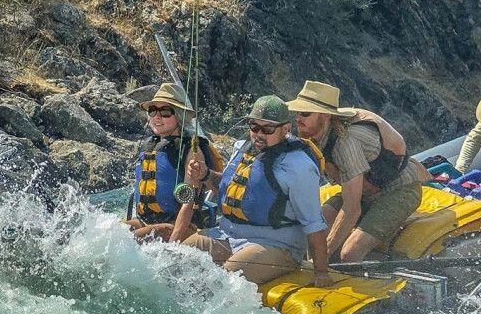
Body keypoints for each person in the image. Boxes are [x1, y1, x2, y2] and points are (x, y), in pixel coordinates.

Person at [169, 95, 331, 287]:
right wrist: (205, 175)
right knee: (175, 260)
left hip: (277, 244)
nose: (259, 134)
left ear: (286, 129)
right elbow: (227, 189)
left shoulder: (298, 166)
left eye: (268, 129)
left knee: (227, 278)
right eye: (254, 127)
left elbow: (314, 223)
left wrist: (321, 273)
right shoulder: (241, 148)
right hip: (227, 234)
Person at [286, 81, 429, 263]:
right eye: (297, 113)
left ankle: (369, 286)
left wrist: (321, 258)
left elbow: (352, 208)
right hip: (363, 191)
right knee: (313, 229)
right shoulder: (317, 135)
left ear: (325, 116)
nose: (298, 118)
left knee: (350, 253)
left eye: (305, 113)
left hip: (399, 190)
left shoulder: (346, 143)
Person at [126, 82, 219, 241]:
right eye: (153, 110)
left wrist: (173, 244)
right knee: (114, 233)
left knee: (125, 241)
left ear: (179, 115)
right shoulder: (150, 145)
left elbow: (188, 204)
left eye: (165, 112)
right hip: (147, 221)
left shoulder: (192, 149)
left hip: (179, 226)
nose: (157, 116)